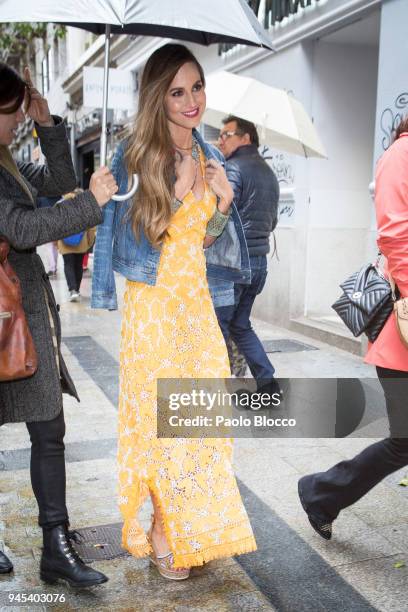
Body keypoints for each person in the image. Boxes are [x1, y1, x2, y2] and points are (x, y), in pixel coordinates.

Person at [92, 43, 256, 580]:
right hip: (155, 307)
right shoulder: (137, 155)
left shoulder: (211, 155)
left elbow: (205, 244)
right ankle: (164, 530)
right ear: (158, 99)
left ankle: (193, 525)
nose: (191, 101)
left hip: (197, 306)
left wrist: (223, 205)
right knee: (163, 425)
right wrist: (182, 193)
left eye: (197, 88)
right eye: (178, 91)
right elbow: (138, 240)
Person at [0, 63, 118, 585]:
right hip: (5, 315)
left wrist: (47, 123)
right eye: (10, 112)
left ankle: (56, 545)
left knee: (49, 427)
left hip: (24, 314)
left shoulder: (9, 160)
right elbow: (22, 228)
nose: (14, 121)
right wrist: (92, 205)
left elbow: (63, 181)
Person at [298, 117, 408, 540]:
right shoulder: (401, 154)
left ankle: (321, 493)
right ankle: (320, 492)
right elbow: (396, 238)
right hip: (403, 328)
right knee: (404, 440)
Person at [215, 116, 281, 397]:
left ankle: (213, 391)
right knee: (240, 325)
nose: (220, 140)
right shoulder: (270, 173)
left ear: (245, 138)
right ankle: (268, 383)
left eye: (226, 134)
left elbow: (222, 211)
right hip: (259, 264)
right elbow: (273, 221)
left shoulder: (232, 169)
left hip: (232, 265)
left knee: (216, 328)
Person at [57, 189, 96, 302]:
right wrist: (89, 241)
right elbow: (91, 226)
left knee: (68, 264)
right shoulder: (84, 207)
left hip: (64, 243)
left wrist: (56, 242)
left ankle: (73, 290)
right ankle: (76, 290)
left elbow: (54, 226)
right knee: (78, 266)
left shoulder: (60, 205)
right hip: (81, 242)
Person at [37, 196, 60, 276]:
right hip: (57, 224)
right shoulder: (58, 197)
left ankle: (52, 268)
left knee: (48, 247)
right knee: (55, 246)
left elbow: (37, 212)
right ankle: (54, 267)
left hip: (46, 225)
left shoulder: (42, 199)